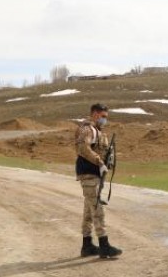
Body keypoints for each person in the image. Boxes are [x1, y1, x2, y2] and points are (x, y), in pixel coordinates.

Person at [75, 103, 122, 258]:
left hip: (94, 176)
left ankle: (87, 245)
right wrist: (99, 162)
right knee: (98, 210)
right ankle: (104, 245)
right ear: (94, 114)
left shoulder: (98, 132)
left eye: (106, 117)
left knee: (89, 211)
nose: (104, 120)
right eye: (103, 116)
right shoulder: (87, 130)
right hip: (89, 175)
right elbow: (82, 148)